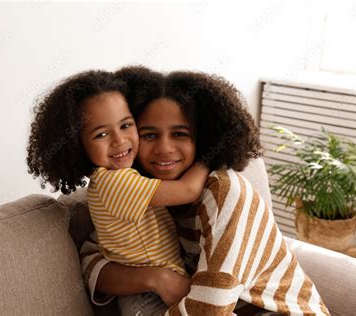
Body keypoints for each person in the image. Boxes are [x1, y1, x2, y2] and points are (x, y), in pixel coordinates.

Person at [79, 66, 330, 315]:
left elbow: (207, 311)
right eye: (149, 135)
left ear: (204, 137)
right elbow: (93, 260)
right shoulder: (140, 192)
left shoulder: (225, 192)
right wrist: (156, 278)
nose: (165, 148)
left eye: (179, 134)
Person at [26, 70, 209, 314]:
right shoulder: (114, 184)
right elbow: (189, 190)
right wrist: (212, 153)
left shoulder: (117, 180)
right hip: (145, 298)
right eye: (101, 134)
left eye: (126, 125)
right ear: (78, 145)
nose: (120, 140)